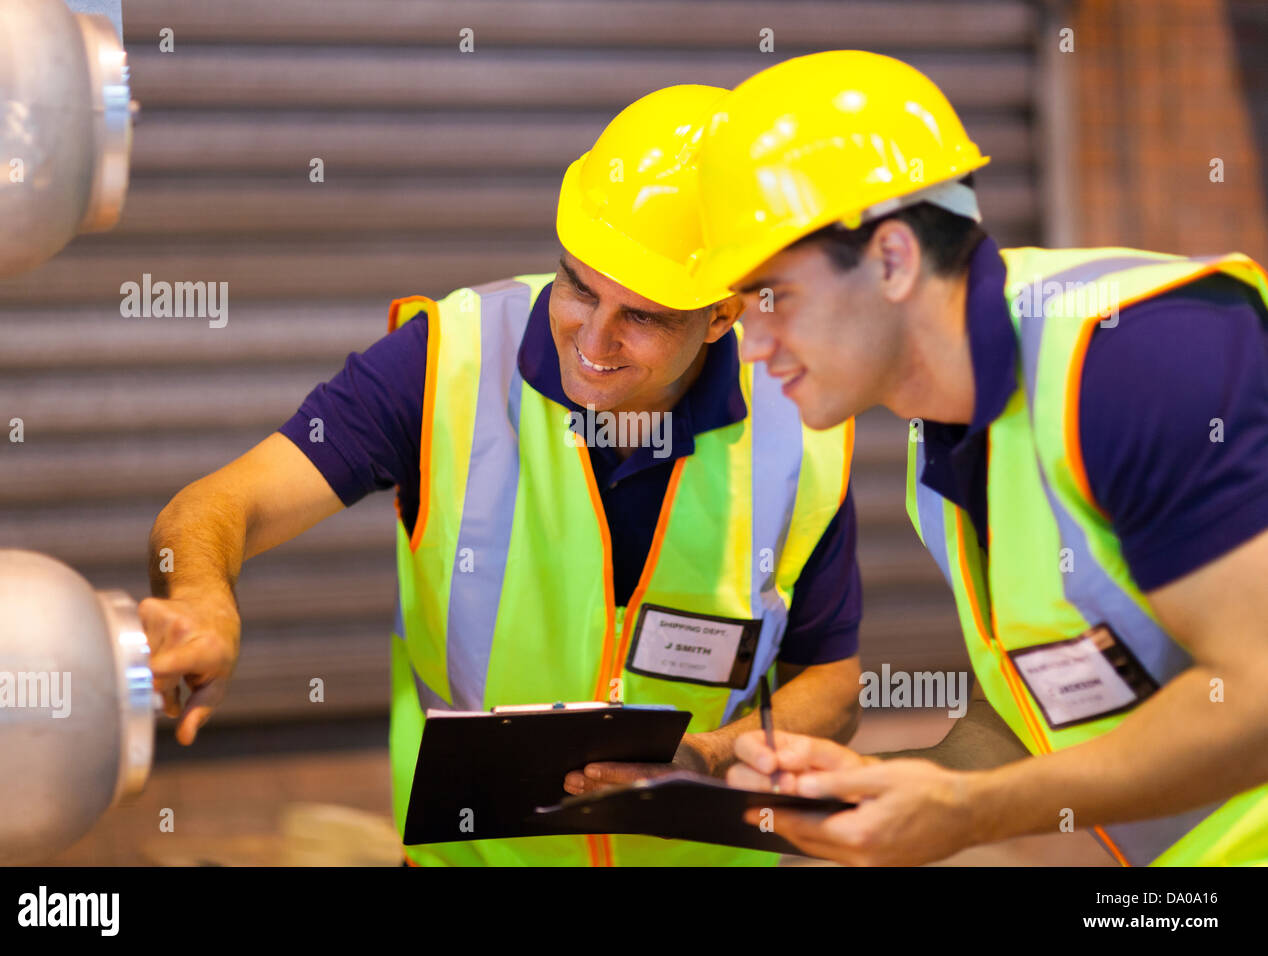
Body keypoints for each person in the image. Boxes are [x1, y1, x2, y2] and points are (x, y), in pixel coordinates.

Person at [140, 85, 863, 866]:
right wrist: (203, 597)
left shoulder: (798, 419)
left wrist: (713, 757)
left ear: (723, 315)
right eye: (579, 285)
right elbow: (218, 504)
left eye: (643, 316)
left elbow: (831, 679)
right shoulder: (446, 362)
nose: (592, 338)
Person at [694, 50, 1268, 866]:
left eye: (771, 297)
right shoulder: (952, 437)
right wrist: (885, 785)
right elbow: (1047, 708)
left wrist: (969, 812)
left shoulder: (1137, 358)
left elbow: (1257, 695)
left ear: (892, 258)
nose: (750, 347)